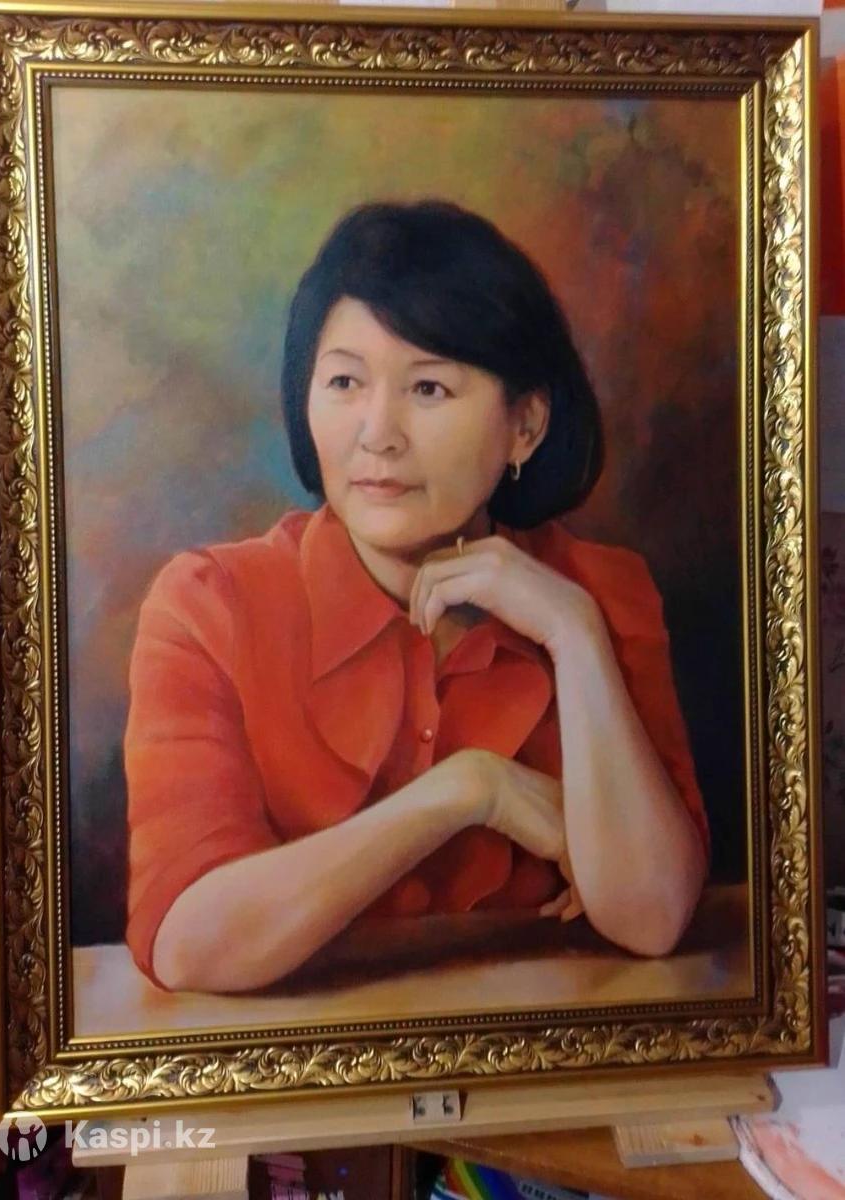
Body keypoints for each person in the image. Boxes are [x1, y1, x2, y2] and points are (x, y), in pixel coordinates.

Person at [125, 201, 709, 994]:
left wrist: (574, 632)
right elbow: (189, 945)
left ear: (526, 426)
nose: (378, 433)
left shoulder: (600, 593)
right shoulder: (209, 605)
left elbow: (653, 917)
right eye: (344, 382)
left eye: (429, 387)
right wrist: (472, 791)